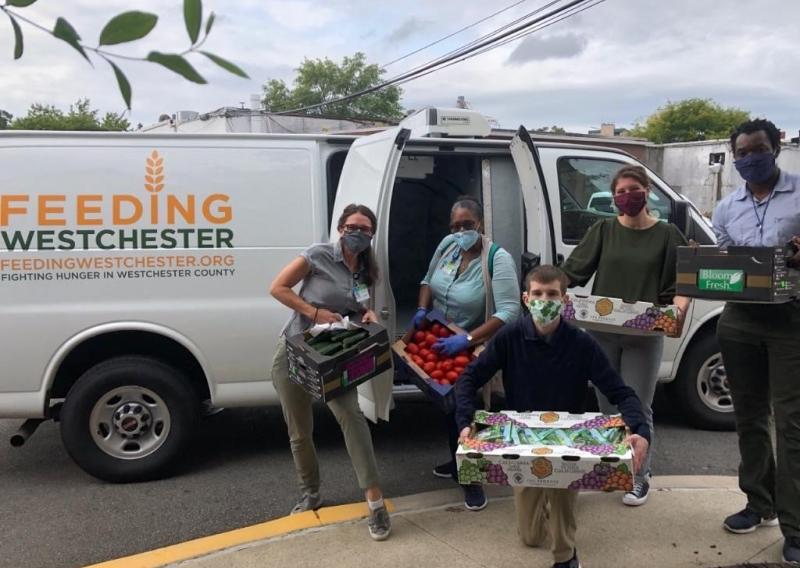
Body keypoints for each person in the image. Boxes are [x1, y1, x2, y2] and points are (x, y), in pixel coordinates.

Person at [455, 265, 650, 568]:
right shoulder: (509, 336)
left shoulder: (581, 343)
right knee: (531, 537)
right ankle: (551, 509)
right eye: (537, 294)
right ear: (525, 298)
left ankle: (567, 555)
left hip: (569, 443)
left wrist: (640, 430)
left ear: (564, 300)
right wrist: (465, 423)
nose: (544, 300)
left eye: (551, 294)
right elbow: (469, 378)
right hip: (522, 439)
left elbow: (620, 391)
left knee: (561, 497)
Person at [560, 164, 689, 507]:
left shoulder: (667, 234)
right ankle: (612, 469)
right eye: (619, 192)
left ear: (647, 191)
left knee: (637, 406)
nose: (626, 197)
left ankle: (639, 475)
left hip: (644, 335)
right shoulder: (603, 230)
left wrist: (679, 308)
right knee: (606, 408)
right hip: (602, 334)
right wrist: (543, 290)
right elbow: (572, 273)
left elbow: (682, 283)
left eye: (633, 189)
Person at [269, 204, 391, 541]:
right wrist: (313, 311)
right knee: (299, 430)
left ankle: (375, 502)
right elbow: (278, 288)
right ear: (340, 228)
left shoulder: (366, 269)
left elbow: (362, 305)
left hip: (334, 355)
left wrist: (368, 315)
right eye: (353, 226)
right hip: (295, 351)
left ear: (371, 234)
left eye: (366, 229)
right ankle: (310, 493)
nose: (359, 233)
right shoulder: (317, 255)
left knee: (352, 416)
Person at [712, 118, 800, 564]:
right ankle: (757, 503)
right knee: (748, 416)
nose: (750, 158)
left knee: (791, 423)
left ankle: (796, 527)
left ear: (777, 146)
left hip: (791, 320)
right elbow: (724, 262)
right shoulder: (726, 208)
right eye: (741, 152)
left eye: (757, 149)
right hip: (740, 320)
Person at [413, 195, 521, 511]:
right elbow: (426, 280)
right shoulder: (448, 245)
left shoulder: (497, 259)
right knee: (448, 407)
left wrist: (468, 339)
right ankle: (457, 460)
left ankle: (472, 479)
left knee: (465, 409)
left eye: (467, 225)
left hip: (475, 345)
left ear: (480, 224)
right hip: (440, 335)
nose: (461, 231)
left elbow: (510, 311)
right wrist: (422, 309)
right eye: (456, 225)